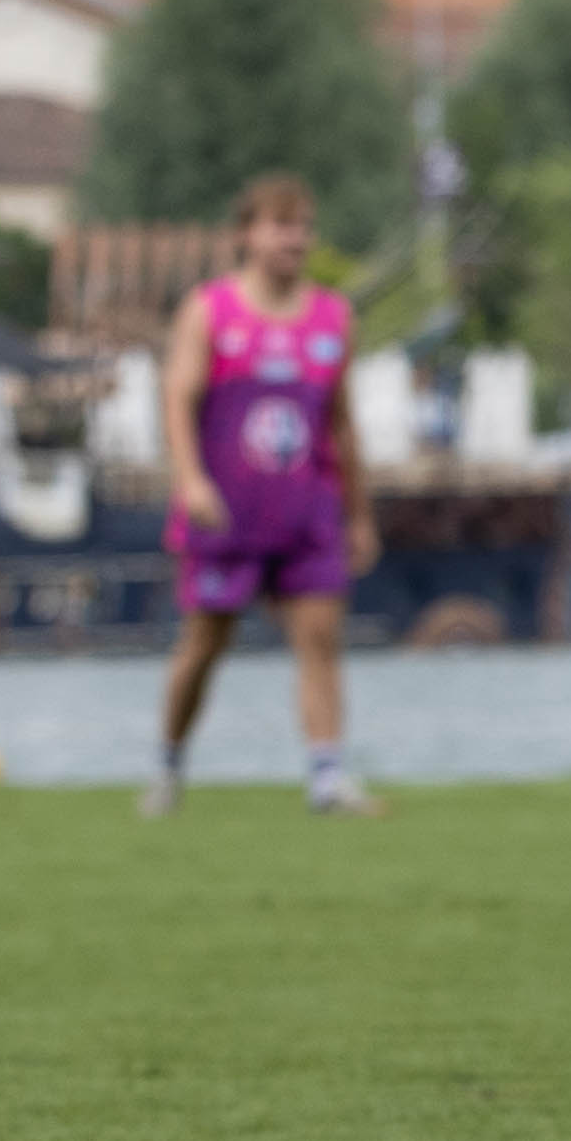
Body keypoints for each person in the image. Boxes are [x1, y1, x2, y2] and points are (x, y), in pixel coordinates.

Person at [141, 173, 380, 819]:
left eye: (303, 226)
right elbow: (177, 399)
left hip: (307, 513)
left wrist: (359, 513)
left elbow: (342, 423)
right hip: (227, 515)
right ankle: (168, 764)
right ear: (246, 234)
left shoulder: (333, 317)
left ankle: (328, 779)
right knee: (204, 645)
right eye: (280, 225)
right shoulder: (210, 311)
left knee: (320, 639)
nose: (294, 239)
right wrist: (190, 479)